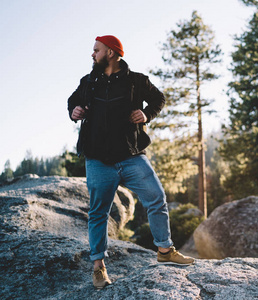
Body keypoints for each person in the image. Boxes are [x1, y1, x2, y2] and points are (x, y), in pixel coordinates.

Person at [68, 35, 194, 290]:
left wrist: (146, 114)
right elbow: (73, 101)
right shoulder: (88, 82)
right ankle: (99, 268)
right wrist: (74, 111)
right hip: (98, 159)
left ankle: (164, 250)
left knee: (156, 198)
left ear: (111, 53)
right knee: (98, 213)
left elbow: (159, 99)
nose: (92, 55)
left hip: (131, 156)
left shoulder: (137, 81)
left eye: (96, 50)